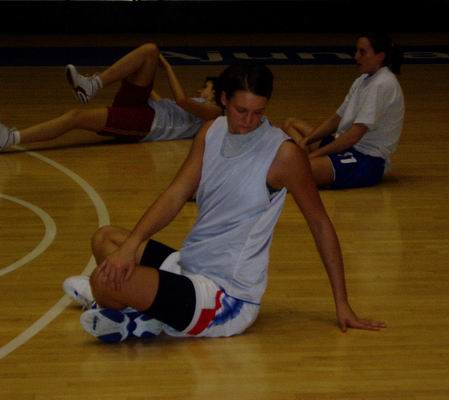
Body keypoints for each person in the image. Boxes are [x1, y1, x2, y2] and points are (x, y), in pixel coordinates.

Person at [63, 62, 386, 343]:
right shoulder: (210, 132)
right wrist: (131, 246)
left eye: (258, 112)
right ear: (223, 100)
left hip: (224, 297)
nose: (248, 121)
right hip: (189, 265)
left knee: (104, 281)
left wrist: (342, 303)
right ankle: (146, 316)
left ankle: (127, 308)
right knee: (106, 239)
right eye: (241, 110)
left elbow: (320, 224)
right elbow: (175, 195)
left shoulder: (284, 155)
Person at [0, 43, 223, 151]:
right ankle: (92, 85)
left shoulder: (214, 113)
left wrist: (166, 67)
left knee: (75, 117)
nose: (200, 91)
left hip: (145, 123)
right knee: (150, 51)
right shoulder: (201, 105)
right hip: (146, 107)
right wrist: (139, 73)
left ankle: (11, 138)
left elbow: (182, 100)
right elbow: (166, 103)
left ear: (217, 93)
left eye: (206, 87)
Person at [282, 32, 405, 189]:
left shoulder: (382, 84)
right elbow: (336, 119)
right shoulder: (363, 80)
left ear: (380, 56)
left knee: (294, 171)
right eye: (357, 51)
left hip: (365, 160)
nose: (356, 57)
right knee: (291, 124)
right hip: (346, 147)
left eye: (362, 52)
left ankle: (305, 165)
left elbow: (353, 136)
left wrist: (313, 155)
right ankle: (307, 162)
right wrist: (306, 141)